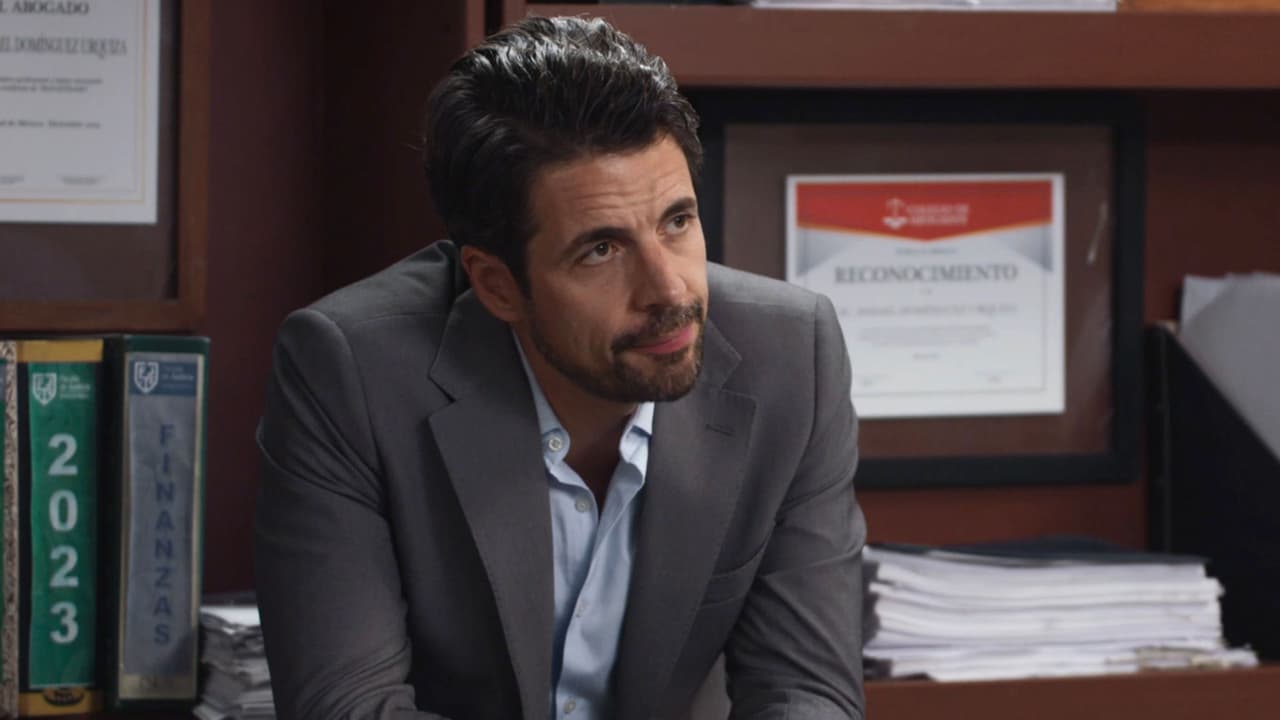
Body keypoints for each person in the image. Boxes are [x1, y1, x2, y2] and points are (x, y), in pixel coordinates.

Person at [254, 15, 866, 720]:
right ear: (497, 286)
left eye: (677, 221)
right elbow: (348, 707)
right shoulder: (350, 372)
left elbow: (807, 694)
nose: (670, 291)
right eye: (601, 250)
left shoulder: (790, 356)